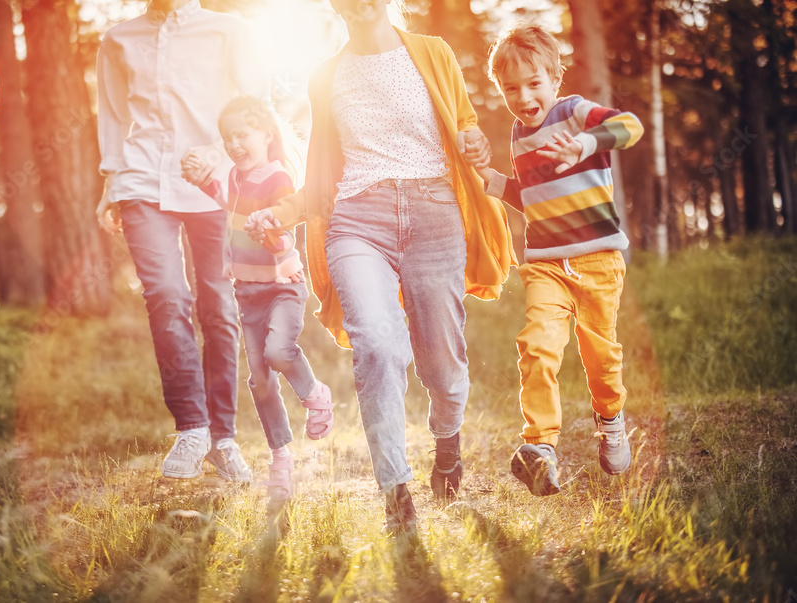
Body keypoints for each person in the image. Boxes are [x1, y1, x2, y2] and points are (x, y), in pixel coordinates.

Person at [248, 0, 516, 534]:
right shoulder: (325, 77)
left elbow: (465, 128)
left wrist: (476, 139)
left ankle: (447, 441)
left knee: (442, 361)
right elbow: (322, 179)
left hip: (435, 212)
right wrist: (280, 213)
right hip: (357, 218)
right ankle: (395, 490)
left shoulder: (432, 53)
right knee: (377, 343)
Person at [462, 24, 644, 496]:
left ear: (555, 78)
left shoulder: (575, 111)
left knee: (600, 357)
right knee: (538, 345)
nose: (523, 96)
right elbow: (529, 199)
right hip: (545, 264)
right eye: (511, 88)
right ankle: (540, 446)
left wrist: (586, 142)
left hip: (598, 260)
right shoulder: (519, 137)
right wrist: (485, 175)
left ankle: (611, 420)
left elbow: (630, 127)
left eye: (533, 83)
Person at [94, 0, 267, 482]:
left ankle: (224, 438)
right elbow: (111, 117)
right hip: (142, 181)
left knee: (219, 304)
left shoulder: (228, 31)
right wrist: (111, 184)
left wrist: (223, 159)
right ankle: (192, 427)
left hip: (217, 181)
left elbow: (256, 107)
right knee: (167, 295)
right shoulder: (118, 39)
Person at [182, 96, 336, 499]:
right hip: (247, 293)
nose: (234, 144)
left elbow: (284, 234)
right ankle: (280, 458)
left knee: (278, 353)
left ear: (266, 134)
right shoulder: (234, 176)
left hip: (282, 286)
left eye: (242, 135)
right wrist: (205, 182)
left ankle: (315, 394)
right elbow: (231, 206)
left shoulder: (278, 177)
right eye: (227, 137)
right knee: (260, 381)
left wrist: (266, 230)